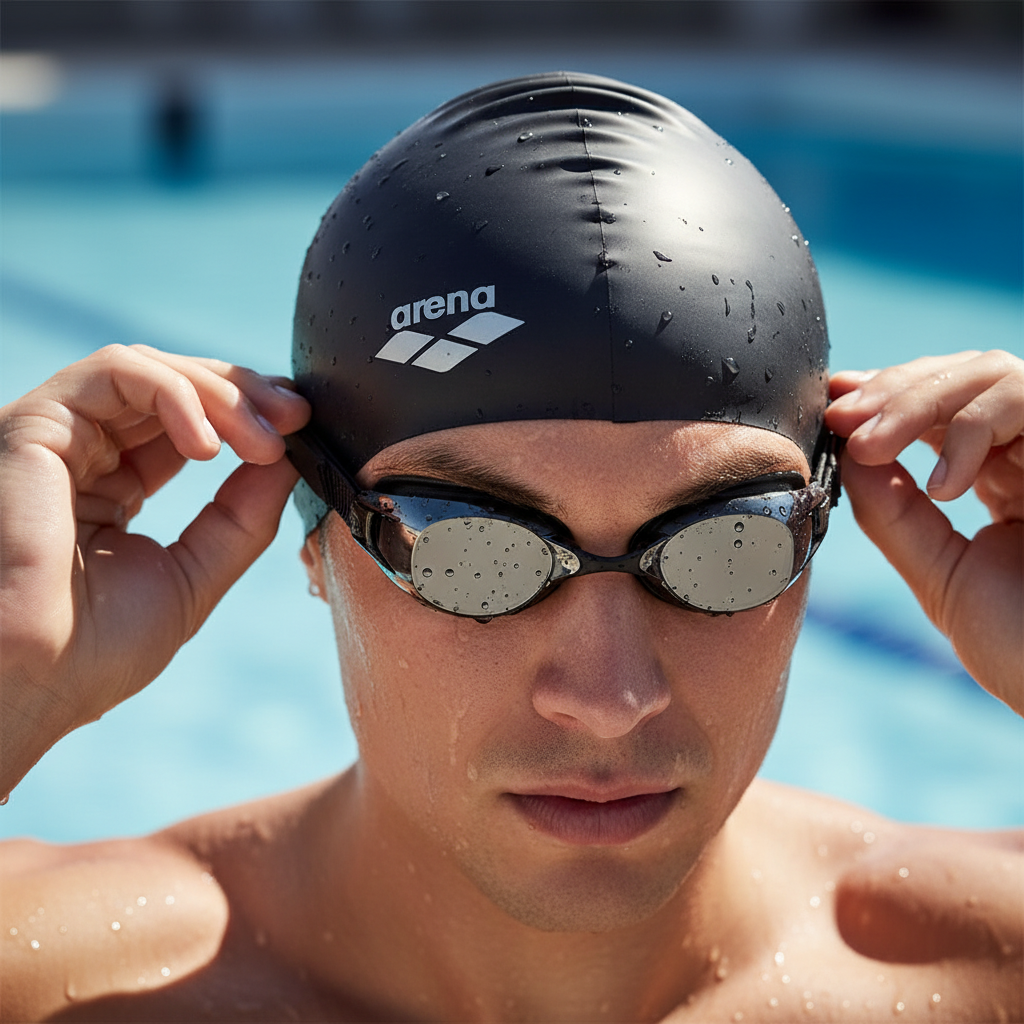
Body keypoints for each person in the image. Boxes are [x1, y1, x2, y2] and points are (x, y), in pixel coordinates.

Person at [1, 72, 1020, 1023]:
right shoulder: (60, 985)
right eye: (474, 554)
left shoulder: (984, 968)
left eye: (725, 545)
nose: (610, 696)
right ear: (314, 540)